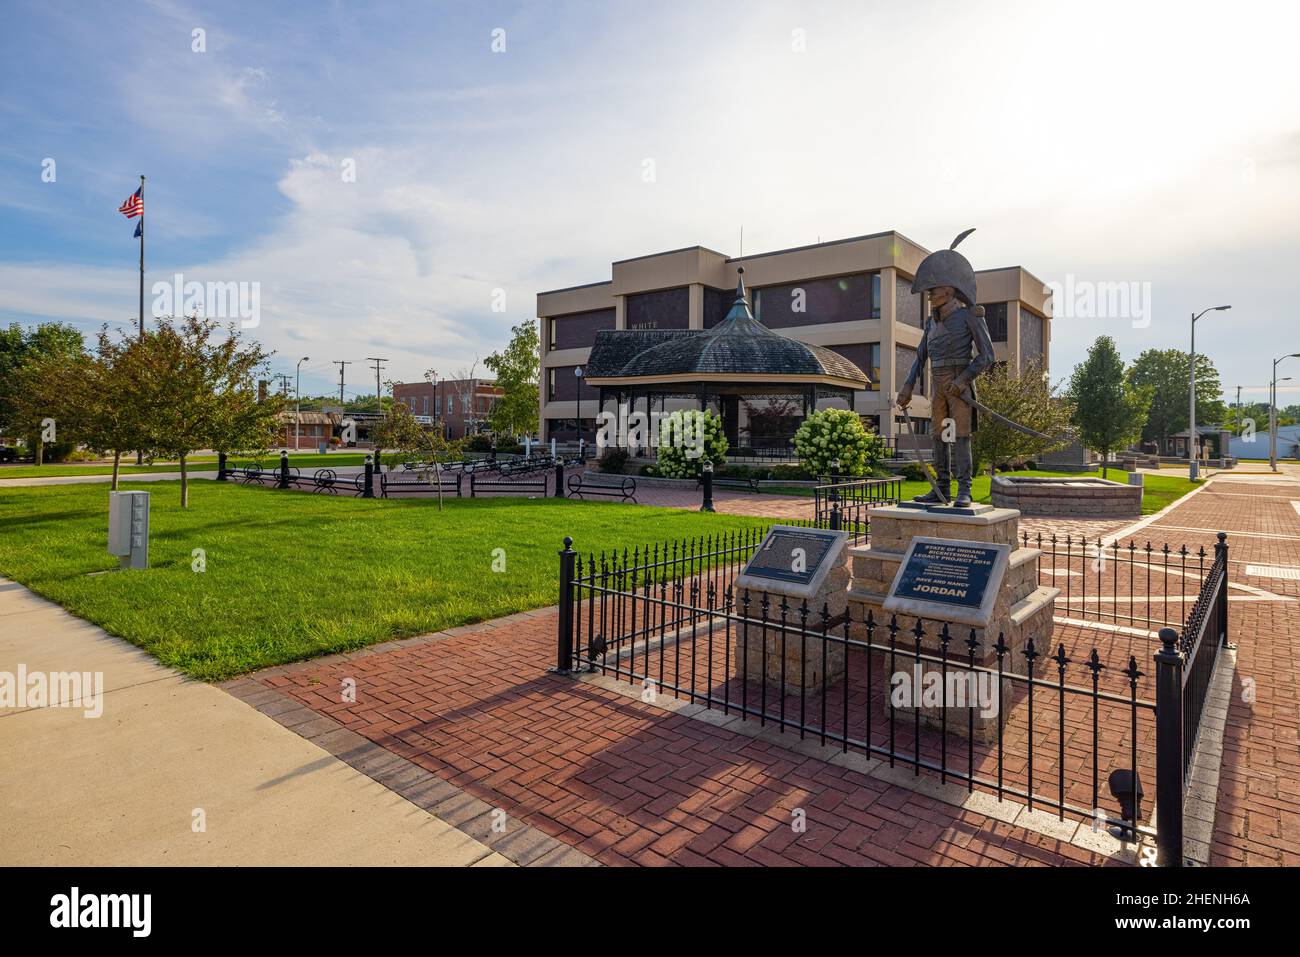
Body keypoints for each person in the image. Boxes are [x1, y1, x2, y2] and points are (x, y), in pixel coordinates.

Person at [896, 229, 996, 508]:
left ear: (949, 290)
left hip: (959, 384)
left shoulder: (969, 316)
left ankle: (965, 489)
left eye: (934, 290)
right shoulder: (931, 323)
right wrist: (907, 386)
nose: (929, 295)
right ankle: (941, 487)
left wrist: (964, 380)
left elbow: (987, 355)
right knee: (938, 436)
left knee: (961, 437)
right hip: (938, 385)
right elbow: (920, 356)